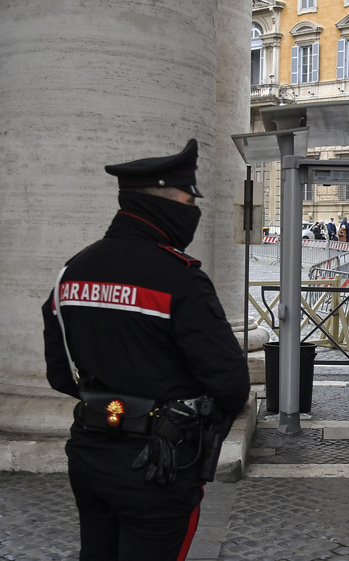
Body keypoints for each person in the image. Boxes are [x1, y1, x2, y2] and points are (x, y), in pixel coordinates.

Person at [41, 139, 251, 560]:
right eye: (189, 198)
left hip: (90, 450)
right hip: (160, 465)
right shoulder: (180, 278)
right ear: (164, 200)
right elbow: (231, 382)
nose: (194, 208)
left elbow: (61, 374)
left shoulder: (72, 271)